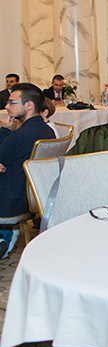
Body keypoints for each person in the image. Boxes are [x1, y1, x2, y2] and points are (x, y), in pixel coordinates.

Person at [0, 83, 56, 255]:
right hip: (35, 194)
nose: (6, 106)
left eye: (11, 102)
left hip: (11, 199)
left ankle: (6, 234)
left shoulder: (19, 136)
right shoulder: (47, 131)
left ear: (29, 105)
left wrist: (2, 130)